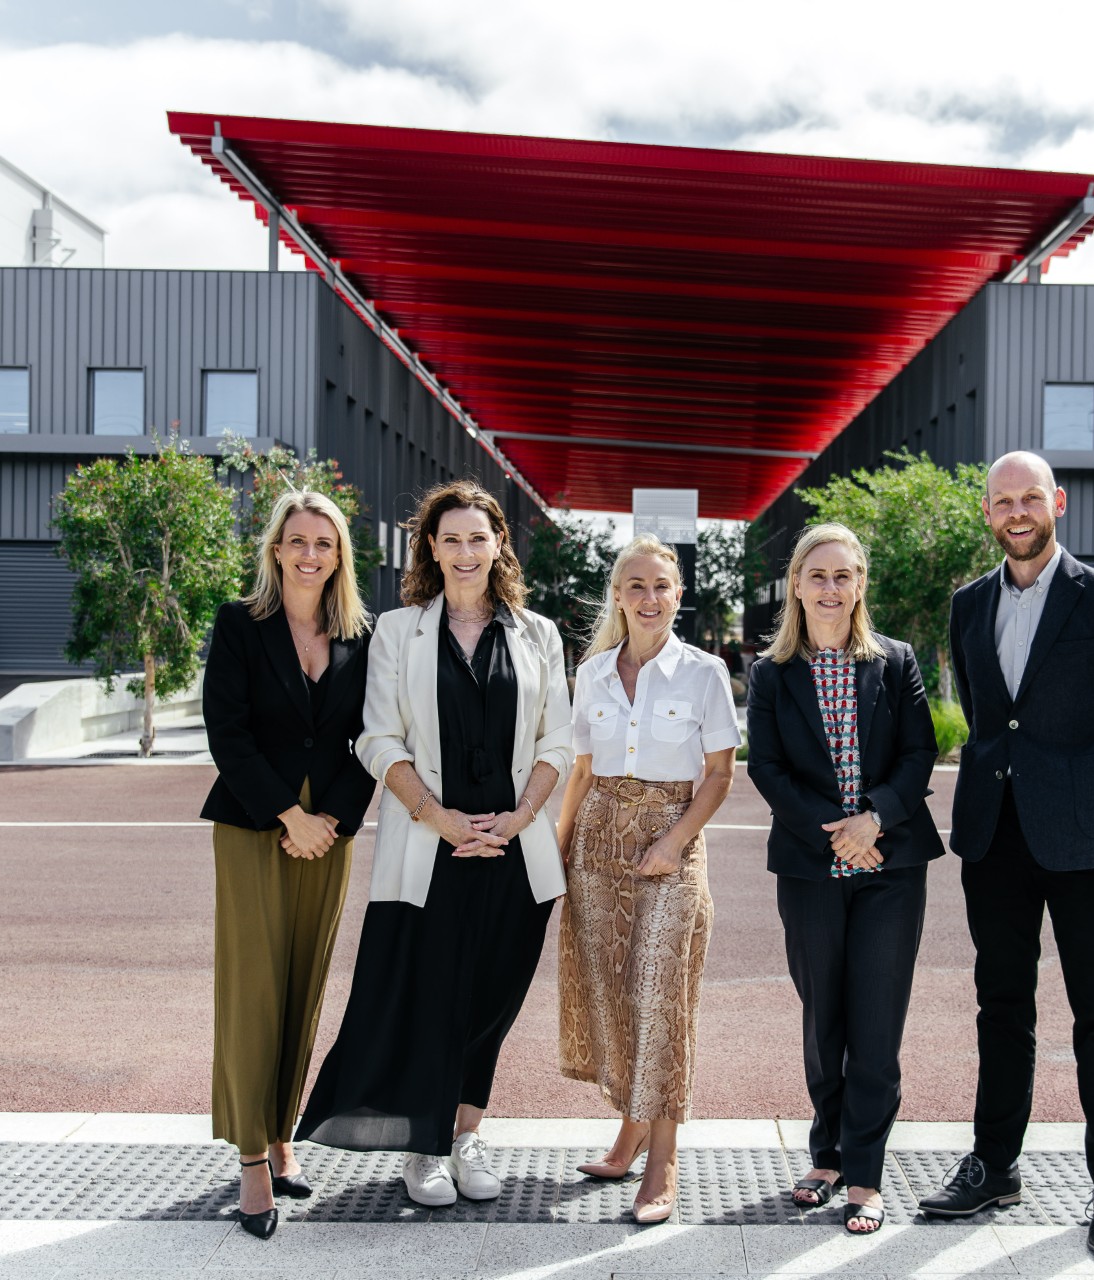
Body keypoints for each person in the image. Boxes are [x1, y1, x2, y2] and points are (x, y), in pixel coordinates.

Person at [295, 479, 571, 1210]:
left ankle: (465, 1135)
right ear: (431, 548)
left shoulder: (539, 634)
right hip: (430, 846)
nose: (465, 550)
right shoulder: (397, 629)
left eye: (477, 537)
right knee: (428, 996)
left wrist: (515, 820)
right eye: (449, 538)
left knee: (491, 1000)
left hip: (515, 848)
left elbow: (560, 741)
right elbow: (377, 737)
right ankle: (422, 1148)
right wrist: (437, 816)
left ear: (498, 545)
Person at [920, 451, 1094, 1262]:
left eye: (1030, 498)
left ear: (1056, 502)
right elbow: (990, 718)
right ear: (987, 513)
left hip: (1084, 840)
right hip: (995, 836)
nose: (1017, 512)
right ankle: (995, 1165)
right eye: (1002, 501)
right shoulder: (968, 604)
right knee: (1002, 1007)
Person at [745, 523, 943, 1235]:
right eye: (818, 575)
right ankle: (825, 1153)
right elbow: (765, 768)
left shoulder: (896, 661)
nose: (831, 589)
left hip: (892, 866)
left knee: (877, 1024)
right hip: (810, 867)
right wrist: (837, 830)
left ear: (861, 584)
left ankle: (864, 1173)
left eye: (844, 575)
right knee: (824, 1018)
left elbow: (920, 752)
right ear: (796, 584)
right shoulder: (770, 672)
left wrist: (874, 822)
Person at [200, 489, 377, 1240]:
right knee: (255, 988)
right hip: (255, 824)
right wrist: (289, 814)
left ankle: (281, 1134)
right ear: (276, 549)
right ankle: (248, 1157)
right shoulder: (241, 624)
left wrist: (330, 819)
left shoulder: (359, 634)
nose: (311, 554)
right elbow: (226, 731)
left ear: (340, 556)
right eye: (298, 541)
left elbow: (373, 736)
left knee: (304, 984)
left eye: (325, 544)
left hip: (328, 832)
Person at [556, 535, 740, 1224]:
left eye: (661, 585)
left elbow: (719, 774)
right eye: (636, 585)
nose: (649, 598)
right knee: (612, 996)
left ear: (678, 594)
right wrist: (559, 849)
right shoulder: (594, 672)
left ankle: (662, 1161)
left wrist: (673, 842)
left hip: (672, 842)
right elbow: (580, 772)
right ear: (618, 595)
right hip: (596, 848)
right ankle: (630, 1129)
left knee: (661, 998)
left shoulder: (704, 673)